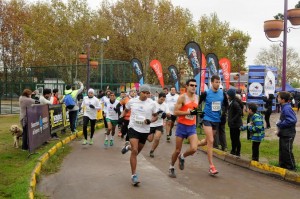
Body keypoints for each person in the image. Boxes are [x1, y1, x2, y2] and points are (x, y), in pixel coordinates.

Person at [120, 84, 158, 185]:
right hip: (133, 128)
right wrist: (121, 117)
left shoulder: (152, 103)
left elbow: (155, 116)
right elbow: (126, 110)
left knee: (135, 152)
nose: (146, 95)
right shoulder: (132, 101)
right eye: (144, 92)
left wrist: (150, 120)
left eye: (148, 93)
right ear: (139, 92)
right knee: (135, 150)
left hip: (144, 131)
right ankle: (134, 175)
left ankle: (128, 147)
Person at [168, 79, 199, 178]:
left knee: (194, 148)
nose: (194, 87)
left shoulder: (197, 98)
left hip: (191, 126)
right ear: (186, 86)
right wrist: (189, 113)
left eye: (195, 85)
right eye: (191, 85)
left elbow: (196, 111)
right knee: (177, 150)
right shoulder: (182, 98)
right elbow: (176, 112)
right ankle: (171, 167)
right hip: (181, 126)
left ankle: (182, 156)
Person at [198, 75, 228, 175]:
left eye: (219, 82)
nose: (218, 84)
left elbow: (226, 105)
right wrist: (199, 113)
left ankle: (195, 144)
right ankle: (211, 166)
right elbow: (197, 104)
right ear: (211, 82)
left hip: (216, 120)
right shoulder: (206, 93)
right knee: (211, 141)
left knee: (206, 141)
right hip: (207, 118)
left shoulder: (222, 93)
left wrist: (224, 113)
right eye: (216, 82)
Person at [276, 91, 297, 171]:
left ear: (283, 99)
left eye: (278, 97)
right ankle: (282, 166)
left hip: (288, 134)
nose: (277, 98)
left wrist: (280, 124)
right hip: (284, 133)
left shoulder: (287, 108)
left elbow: (292, 120)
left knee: (287, 151)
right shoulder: (284, 107)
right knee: (282, 150)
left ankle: (291, 168)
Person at [148, 92, 170, 158]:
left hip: (159, 124)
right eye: (161, 99)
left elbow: (169, 114)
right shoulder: (153, 104)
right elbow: (148, 112)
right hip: (151, 123)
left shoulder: (165, 105)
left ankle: (152, 151)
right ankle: (145, 136)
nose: (162, 101)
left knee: (157, 138)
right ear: (158, 97)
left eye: (163, 99)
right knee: (150, 140)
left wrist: (165, 114)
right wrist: (156, 113)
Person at [227, 88, 243, 157]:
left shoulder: (235, 103)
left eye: (228, 94)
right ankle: (233, 150)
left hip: (236, 125)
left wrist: (233, 120)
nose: (227, 95)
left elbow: (240, 112)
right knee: (233, 138)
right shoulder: (232, 102)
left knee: (236, 138)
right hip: (232, 125)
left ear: (230, 95)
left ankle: (238, 152)